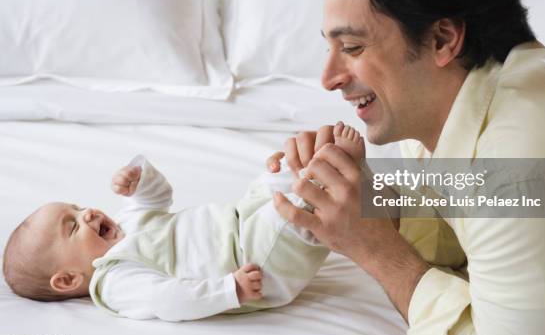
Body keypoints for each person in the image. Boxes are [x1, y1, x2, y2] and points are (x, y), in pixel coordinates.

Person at [268, 0, 545, 335]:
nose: (328, 78)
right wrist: (366, 197)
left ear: (442, 39)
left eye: (352, 48)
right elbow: (459, 220)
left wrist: (376, 251)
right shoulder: (454, 105)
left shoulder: (526, 163)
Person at [2, 123, 365, 321]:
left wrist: (139, 180)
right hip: (252, 264)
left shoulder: (125, 228)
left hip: (240, 220)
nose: (87, 213)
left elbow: (156, 198)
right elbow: (169, 299)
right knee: (294, 210)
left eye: (77, 206)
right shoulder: (116, 279)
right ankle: (340, 178)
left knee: (275, 176)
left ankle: (325, 171)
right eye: (71, 225)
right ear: (67, 280)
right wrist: (228, 290)